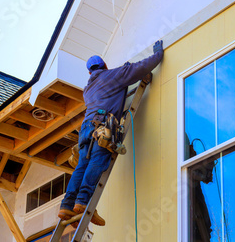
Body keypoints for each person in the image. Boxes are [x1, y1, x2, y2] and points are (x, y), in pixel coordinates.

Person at [57, 40, 164, 227]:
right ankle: (82, 202)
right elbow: (141, 67)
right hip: (102, 128)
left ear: (89, 72)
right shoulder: (112, 76)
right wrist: (158, 54)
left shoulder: (87, 89)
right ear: (105, 65)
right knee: (98, 162)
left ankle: (67, 205)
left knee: (82, 165)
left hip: (86, 129)